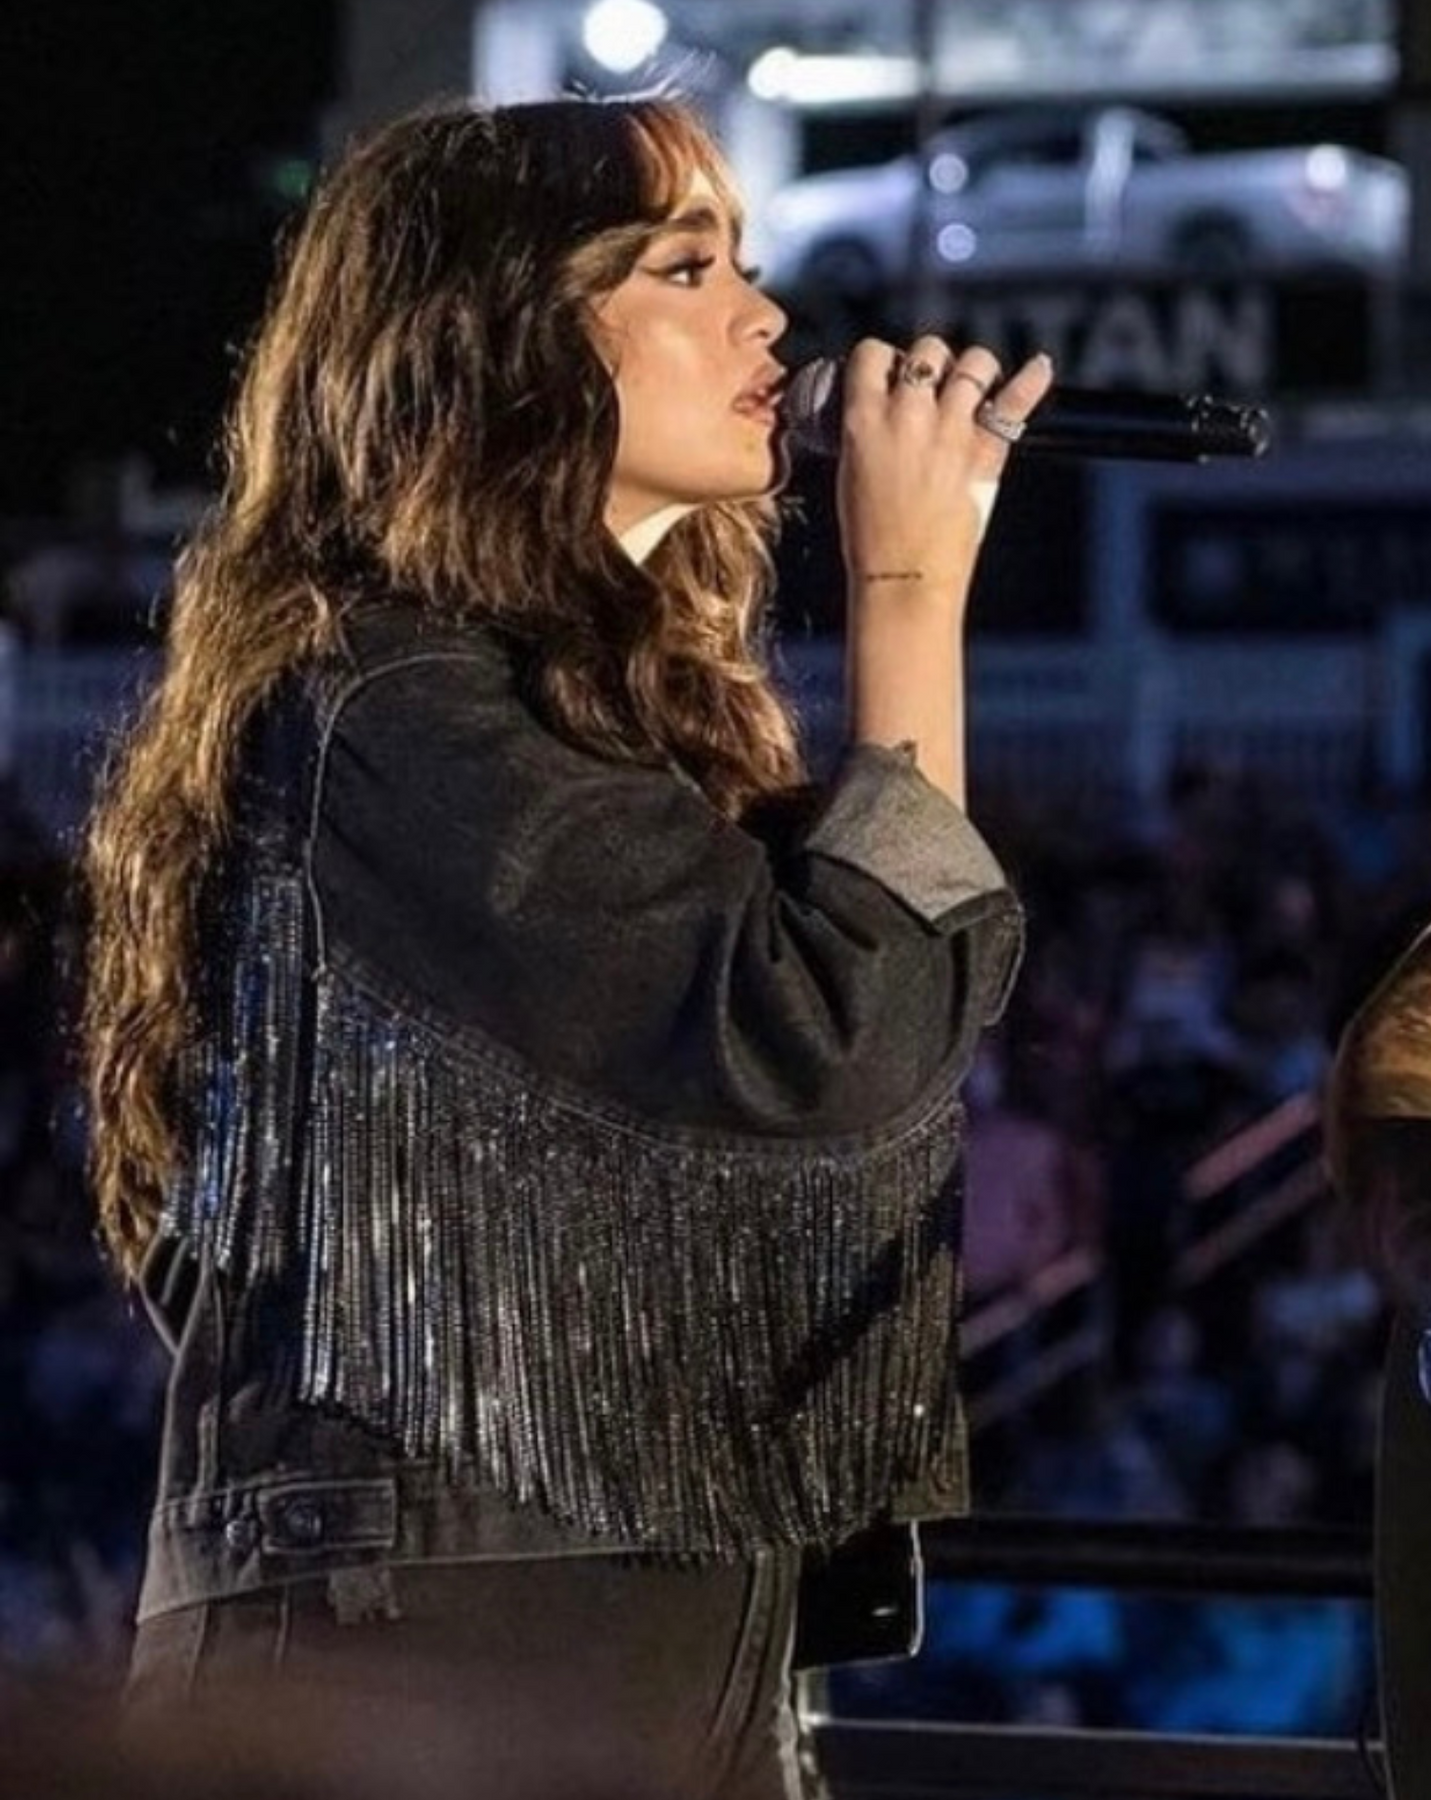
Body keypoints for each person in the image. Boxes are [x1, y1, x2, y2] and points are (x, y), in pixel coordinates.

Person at [78, 93, 1053, 1799]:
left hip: (622, 1639)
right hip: (414, 1667)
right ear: (500, 336)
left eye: (746, 265)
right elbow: (826, 1037)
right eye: (687, 268)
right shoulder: (389, 710)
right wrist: (910, 595)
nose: (768, 318)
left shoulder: (582, 726)